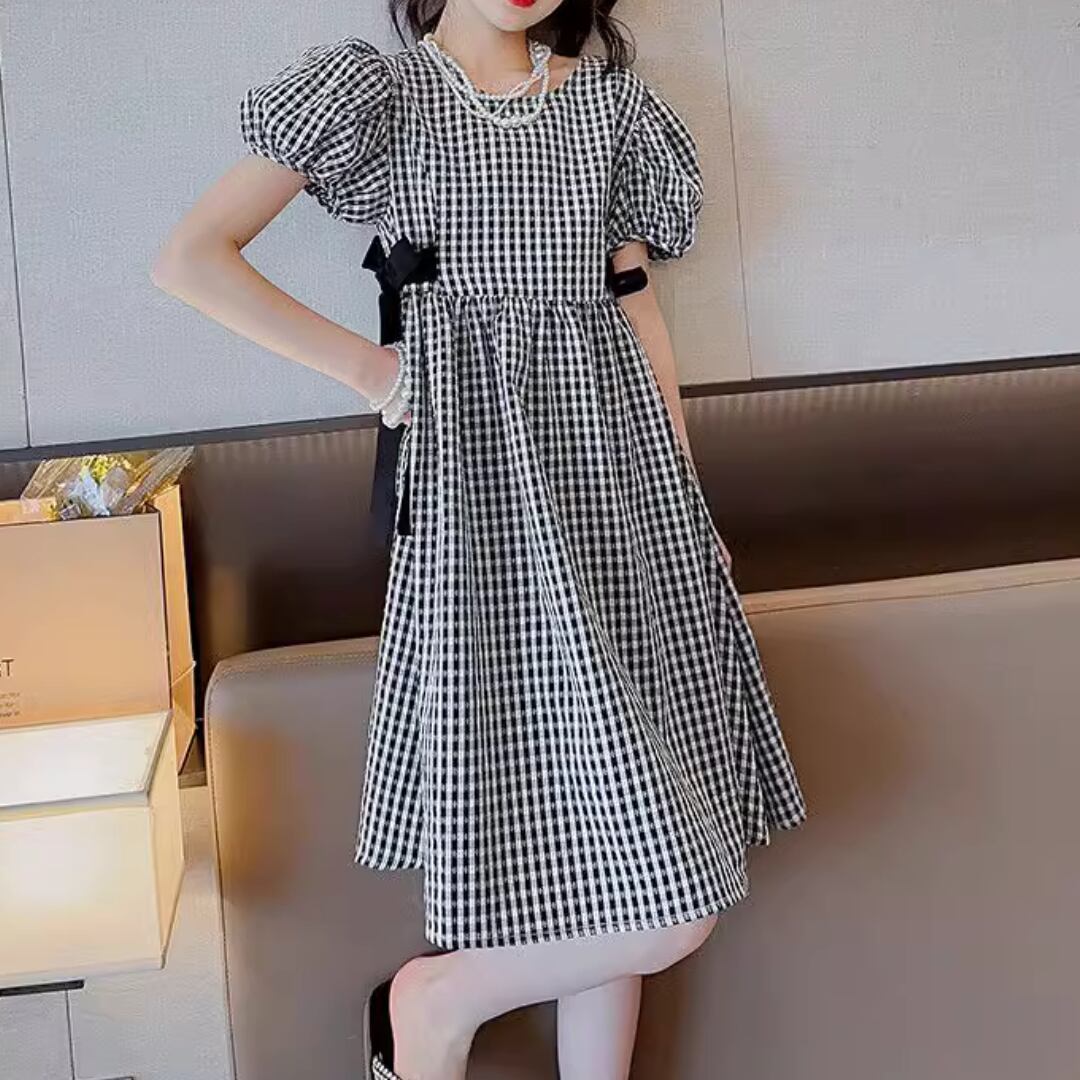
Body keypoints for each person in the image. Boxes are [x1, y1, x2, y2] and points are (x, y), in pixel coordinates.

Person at [152, 1, 808, 1077]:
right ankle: (436, 998)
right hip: (483, 512)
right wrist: (377, 373)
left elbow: (636, 307)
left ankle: (453, 1007)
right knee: (642, 886)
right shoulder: (382, 95)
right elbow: (192, 258)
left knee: (623, 842)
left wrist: (690, 500)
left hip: (624, 496)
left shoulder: (612, 110)